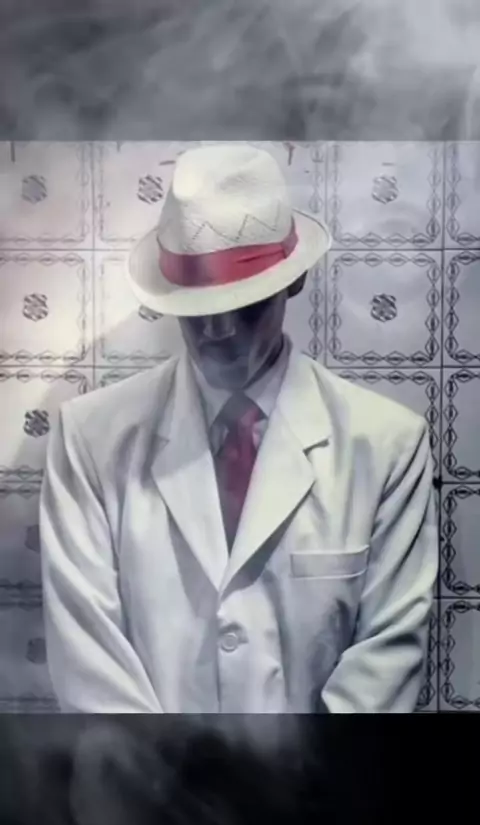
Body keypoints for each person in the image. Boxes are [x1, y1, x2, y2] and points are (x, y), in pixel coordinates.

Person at [39, 143, 438, 713]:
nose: (219, 331)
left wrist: (310, 771)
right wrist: (165, 769)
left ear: (293, 282)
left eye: (246, 304)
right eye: (197, 308)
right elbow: (90, 661)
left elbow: (385, 661)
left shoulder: (387, 445)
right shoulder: (89, 439)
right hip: (142, 770)